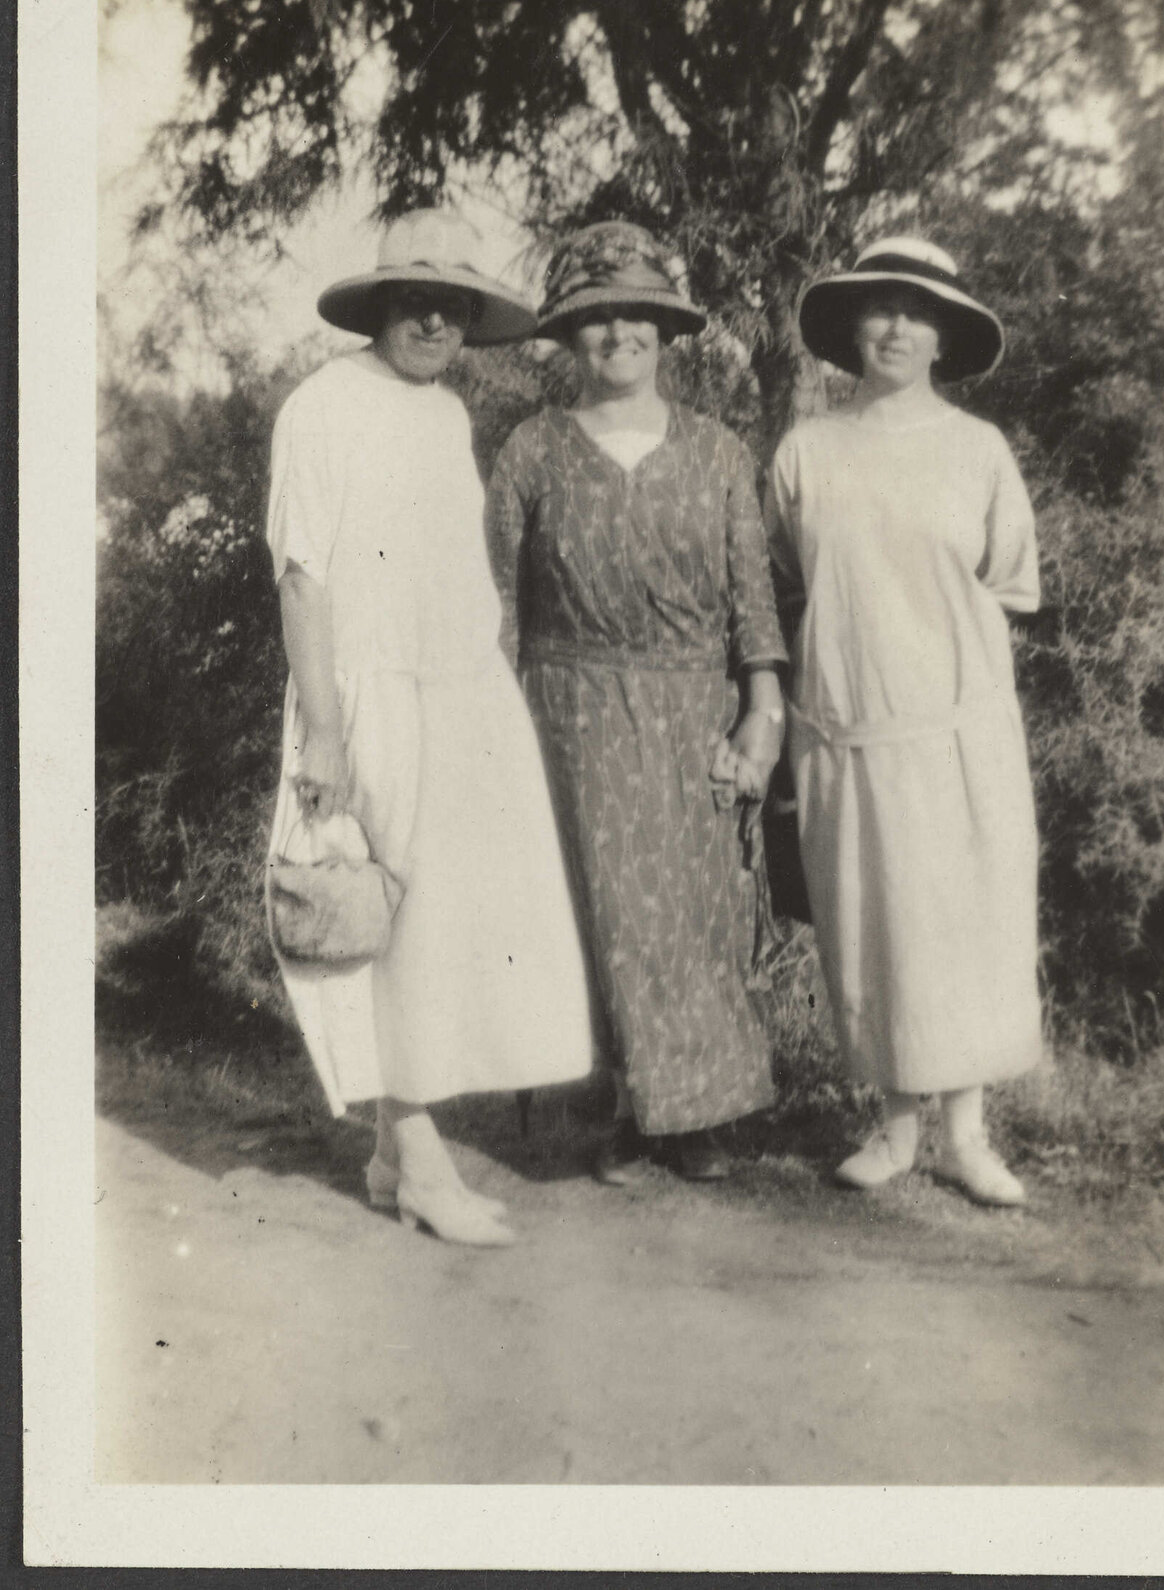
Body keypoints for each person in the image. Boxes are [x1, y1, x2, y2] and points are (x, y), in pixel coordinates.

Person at [266, 210, 593, 1247]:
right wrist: (322, 728)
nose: (434, 317)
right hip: (363, 697)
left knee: (446, 919)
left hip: (457, 689)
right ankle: (421, 1163)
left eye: (452, 302)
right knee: (389, 922)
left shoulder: (449, 417)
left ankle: (385, 1149)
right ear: (379, 306)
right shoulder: (322, 406)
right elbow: (302, 573)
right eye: (415, 297)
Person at [485, 222, 786, 1185]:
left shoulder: (719, 452)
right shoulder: (532, 452)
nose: (618, 335)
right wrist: (490, 729)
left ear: (667, 330)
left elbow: (754, 602)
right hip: (566, 712)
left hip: (694, 705)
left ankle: (695, 1119)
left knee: (695, 907)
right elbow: (492, 598)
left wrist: (761, 716)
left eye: (637, 316)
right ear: (568, 339)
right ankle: (623, 1108)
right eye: (594, 319)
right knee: (599, 906)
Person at [766, 235, 1042, 1207]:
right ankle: (892, 1127)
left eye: (915, 312)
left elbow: (1006, 584)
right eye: (878, 307)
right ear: (850, 327)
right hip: (847, 724)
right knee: (874, 923)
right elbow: (785, 584)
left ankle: (966, 1136)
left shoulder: (977, 452)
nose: (893, 326)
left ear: (942, 337)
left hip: (959, 727)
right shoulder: (806, 448)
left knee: (961, 924)